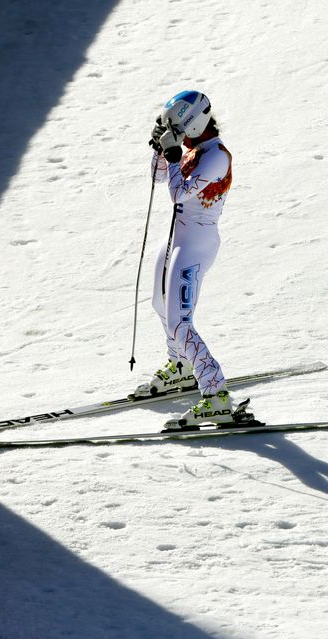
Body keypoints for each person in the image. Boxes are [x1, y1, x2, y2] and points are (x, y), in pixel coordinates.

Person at [134, 90, 250, 429]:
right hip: (176, 240)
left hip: (197, 244)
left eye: (177, 128)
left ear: (194, 121)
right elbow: (158, 178)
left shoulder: (217, 157)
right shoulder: (193, 151)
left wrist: (172, 155)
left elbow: (178, 192)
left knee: (180, 321)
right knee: (160, 303)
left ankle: (215, 395)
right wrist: (161, 151)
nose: (176, 134)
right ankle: (181, 366)